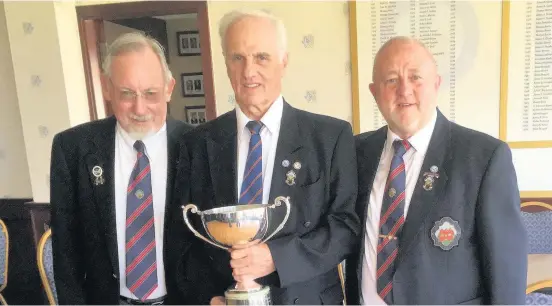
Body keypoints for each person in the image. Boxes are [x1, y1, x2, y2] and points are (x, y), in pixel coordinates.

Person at [171, 9, 360, 305]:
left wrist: (276, 258)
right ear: (225, 62)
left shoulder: (330, 137)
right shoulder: (196, 144)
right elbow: (182, 238)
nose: (249, 72)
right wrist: (207, 298)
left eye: (261, 57)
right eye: (238, 58)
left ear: (284, 61)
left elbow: (345, 228)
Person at [345, 36, 528, 305]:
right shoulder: (355, 153)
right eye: (391, 80)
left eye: (415, 77)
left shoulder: (484, 157)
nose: (404, 90)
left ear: (436, 84)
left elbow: (507, 273)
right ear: (374, 92)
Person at [50, 32, 193, 305]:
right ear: (106, 88)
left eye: (150, 93)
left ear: (169, 88)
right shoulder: (72, 148)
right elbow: (65, 251)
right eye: (126, 94)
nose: (140, 108)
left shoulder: (197, 145)